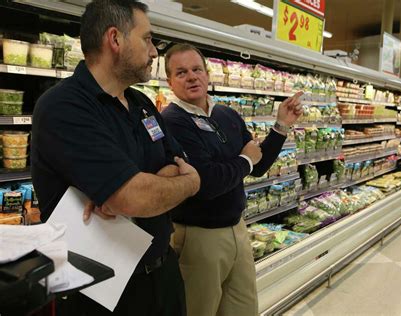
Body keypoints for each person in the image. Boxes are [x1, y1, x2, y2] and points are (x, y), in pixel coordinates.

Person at [31, 1, 200, 315]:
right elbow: (134, 197)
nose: (154, 52)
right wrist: (186, 184)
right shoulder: (63, 106)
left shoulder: (143, 104)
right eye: (147, 39)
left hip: (163, 274)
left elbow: (178, 163)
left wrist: (144, 187)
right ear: (115, 39)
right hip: (101, 291)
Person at [161, 43, 303, 316]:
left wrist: (281, 126)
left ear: (207, 73)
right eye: (181, 73)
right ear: (169, 82)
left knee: (243, 308)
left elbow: (258, 165)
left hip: (237, 228)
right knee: (198, 309)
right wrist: (244, 161)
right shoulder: (172, 121)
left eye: (196, 69)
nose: (191, 76)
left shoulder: (226, 114)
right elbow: (206, 182)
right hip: (198, 238)